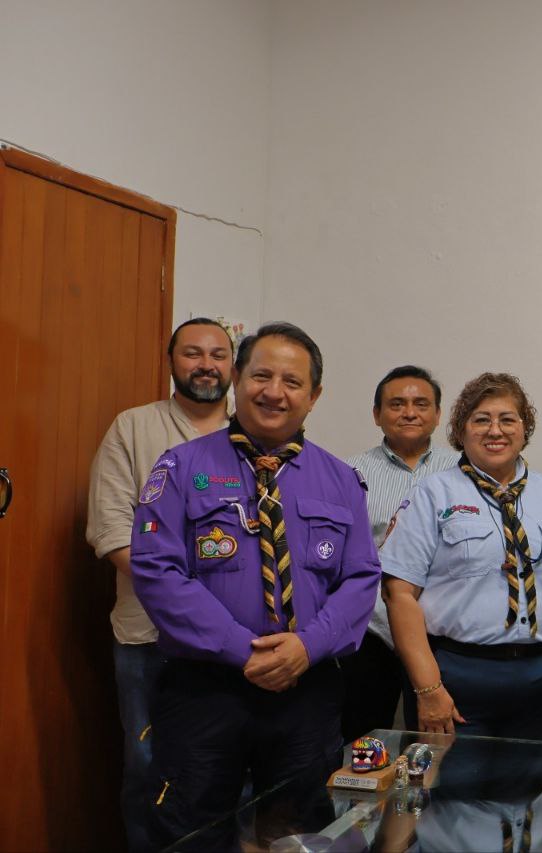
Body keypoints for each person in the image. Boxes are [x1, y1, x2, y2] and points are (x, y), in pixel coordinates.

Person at [130, 322, 380, 849]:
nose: (274, 391)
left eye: (292, 381)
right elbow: (157, 569)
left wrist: (305, 648)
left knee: (299, 833)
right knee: (190, 830)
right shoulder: (181, 467)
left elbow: (360, 579)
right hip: (205, 690)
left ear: (314, 396)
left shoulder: (341, 480)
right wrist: (243, 650)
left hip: (306, 690)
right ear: (238, 380)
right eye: (261, 376)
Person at [381, 372, 542, 742]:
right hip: (456, 681)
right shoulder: (433, 494)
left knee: (539, 779)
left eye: (507, 419)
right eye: (481, 419)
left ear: (524, 428)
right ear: (461, 430)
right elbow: (398, 594)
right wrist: (428, 689)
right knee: (451, 779)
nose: (495, 431)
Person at [86, 317, 234, 852]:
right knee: (148, 765)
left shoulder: (255, 436)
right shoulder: (133, 428)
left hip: (239, 639)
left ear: (234, 366)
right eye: (193, 353)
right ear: (170, 362)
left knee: (232, 767)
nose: (206, 365)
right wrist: (187, 597)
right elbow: (111, 531)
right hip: (150, 637)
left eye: (218, 354)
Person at [343, 365, 460, 741]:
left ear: (438, 414)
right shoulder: (350, 473)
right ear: (377, 414)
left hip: (441, 633)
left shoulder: (462, 470)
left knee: (435, 743)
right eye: (396, 404)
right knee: (363, 743)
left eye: (421, 404)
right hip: (372, 632)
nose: (409, 412)